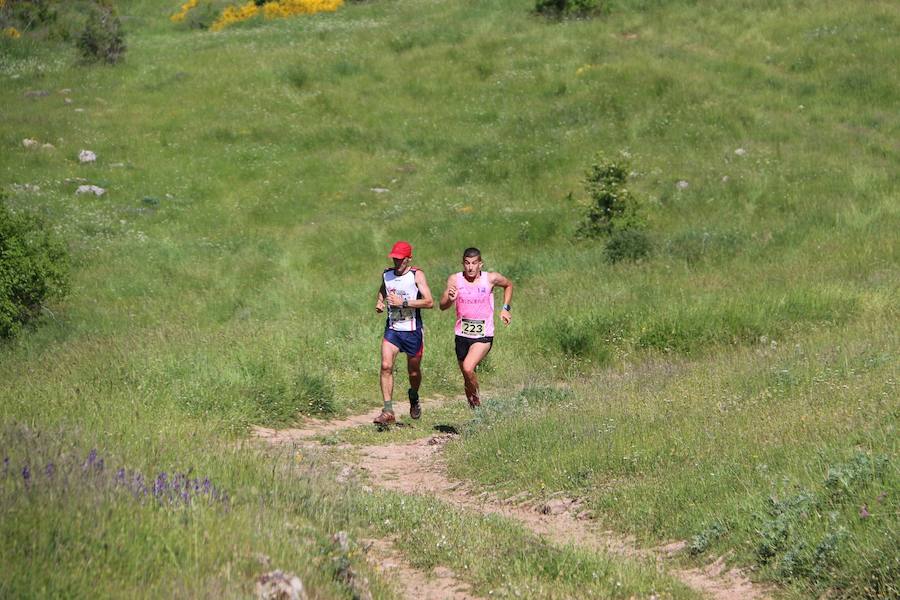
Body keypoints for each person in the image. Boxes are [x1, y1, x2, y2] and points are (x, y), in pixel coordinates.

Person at [439, 247, 513, 408]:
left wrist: (506, 308)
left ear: (480, 264)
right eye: (467, 263)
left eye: (474, 263)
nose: (470, 267)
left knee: (467, 367)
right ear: (463, 264)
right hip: (462, 334)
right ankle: (476, 413)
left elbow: (508, 285)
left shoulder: (491, 278)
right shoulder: (455, 280)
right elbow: (442, 306)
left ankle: (479, 408)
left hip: (483, 335)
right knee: (467, 376)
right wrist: (450, 299)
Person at [373, 241, 434, 426]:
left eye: (400, 259)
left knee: (413, 372)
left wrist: (404, 303)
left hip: (412, 331)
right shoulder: (387, 274)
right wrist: (380, 301)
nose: (397, 262)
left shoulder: (416, 275)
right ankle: (388, 410)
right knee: (385, 366)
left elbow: (429, 302)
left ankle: (414, 396)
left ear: (409, 259)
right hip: (393, 330)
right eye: (395, 258)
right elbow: (384, 288)